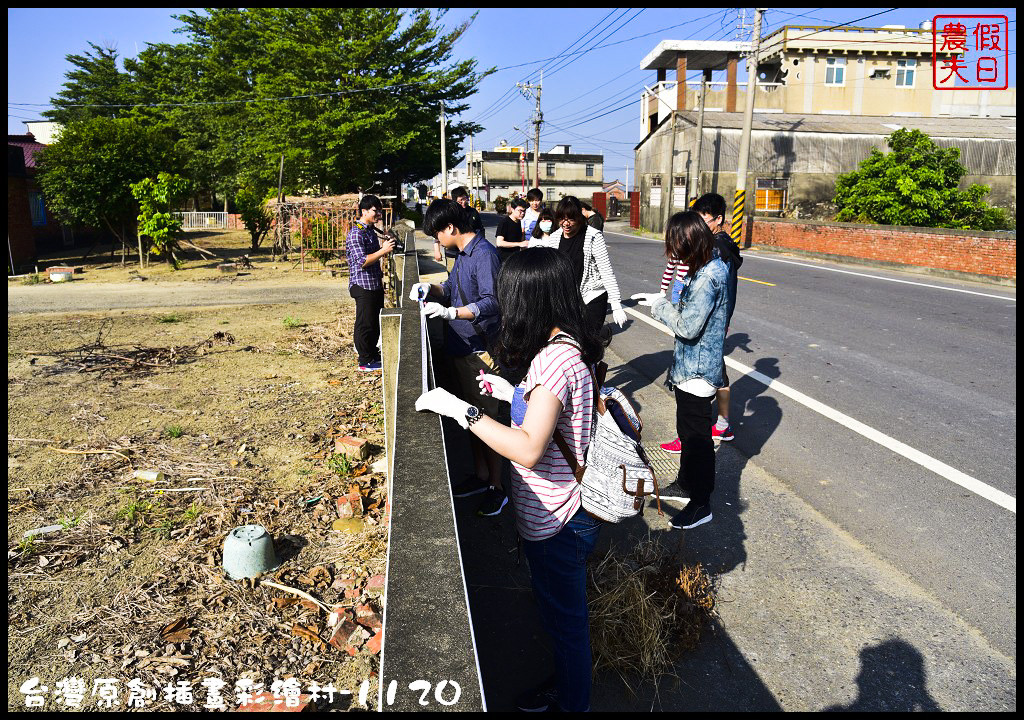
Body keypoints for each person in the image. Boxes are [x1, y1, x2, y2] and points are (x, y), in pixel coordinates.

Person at [415, 247, 604, 712]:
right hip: (560, 509)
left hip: (559, 517)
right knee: (561, 619)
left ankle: (572, 703)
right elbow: (549, 416)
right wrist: (513, 392)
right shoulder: (566, 347)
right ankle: (566, 685)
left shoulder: (555, 363)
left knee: (566, 624)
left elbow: (527, 447)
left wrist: (462, 410)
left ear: (529, 300)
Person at [408, 199, 507, 516]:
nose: (436, 241)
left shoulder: (484, 255)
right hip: (459, 346)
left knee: (487, 419)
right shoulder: (463, 255)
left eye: (437, 235)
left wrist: (453, 312)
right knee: (470, 416)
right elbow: (451, 286)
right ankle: (480, 476)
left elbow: (493, 302)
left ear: (450, 228)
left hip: (480, 350)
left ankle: (497, 486)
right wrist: (430, 290)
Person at [632, 211, 729, 530]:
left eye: (675, 245)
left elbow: (688, 327)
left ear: (690, 241)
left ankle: (702, 502)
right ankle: (686, 484)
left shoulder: (709, 275)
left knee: (699, 440)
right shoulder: (703, 267)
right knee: (687, 432)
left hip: (700, 370)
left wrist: (659, 306)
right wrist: (664, 300)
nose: (673, 252)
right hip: (690, 366)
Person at [659, 193, 743, 453]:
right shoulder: (715, 253)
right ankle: (719, 425)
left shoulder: (714, 257)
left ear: (719, 220)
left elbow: (689, 325)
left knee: (695, 427)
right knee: (716, 377)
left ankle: (697, 479)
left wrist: (660, 305)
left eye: (704, 221)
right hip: (705, 338)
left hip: (700, 355)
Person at [533, 196, 626, 335]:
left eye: (571, 219)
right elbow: (551, 272)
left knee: (587, 340)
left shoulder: (593, 236)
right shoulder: (555, 238)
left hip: (592, 296)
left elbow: (606, 271)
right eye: (562, 219)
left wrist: (616, 304)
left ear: (579, 217)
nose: (566, 224)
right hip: (566, 299)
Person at [345, 194, 396, 372]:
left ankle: (373, 355)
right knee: (365, 323)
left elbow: (374, 253)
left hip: (374, 283)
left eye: (379, 210)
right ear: (364, 211)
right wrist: (383, 251)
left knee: (374, 322)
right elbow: (361, 261)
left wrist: (386, 243)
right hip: (362, 284)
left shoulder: (369, 230)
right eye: (375, 210)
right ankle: (364, 360)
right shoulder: (356, 233)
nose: (378, 214)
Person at [495, 198, 529, 262]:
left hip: (514, 259)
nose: (523, 213)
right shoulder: (504, 222)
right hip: (503, 260)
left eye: (524, 211)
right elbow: (499, 243)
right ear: (512, 209)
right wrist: (519, 244)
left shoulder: (518, 222)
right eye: (520, 211)